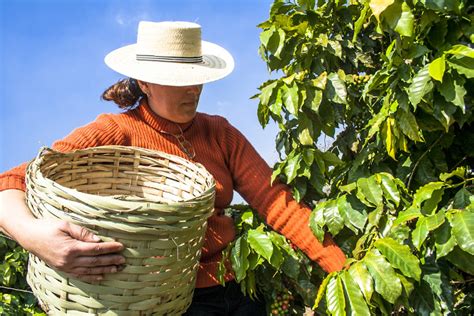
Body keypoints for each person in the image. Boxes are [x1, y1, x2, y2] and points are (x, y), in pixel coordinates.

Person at [0, 21, 346, 315]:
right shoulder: (115, 131)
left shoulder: (220, 133)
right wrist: (35, 239)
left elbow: (276, 203)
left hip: (237, 288)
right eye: (178, 78)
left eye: (197, 76)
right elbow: (13, 180)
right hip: (164, 298)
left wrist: (343, 270)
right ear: (145, 83)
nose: (194, 88)